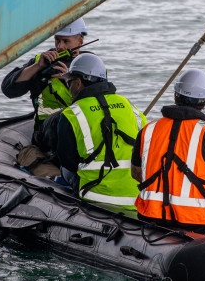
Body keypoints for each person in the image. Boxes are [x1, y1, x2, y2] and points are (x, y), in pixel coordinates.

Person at [131, 68, 205, 238]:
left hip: (150, 214)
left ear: (175, 96)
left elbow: (137, 173)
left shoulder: (148, 129)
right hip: (194, 219)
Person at [56, 54, 147, 210]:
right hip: (137, 197)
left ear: (78, 83)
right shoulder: (130, 106)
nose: (69, 88)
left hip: (95, 196)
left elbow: (67, 161)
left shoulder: (72, 114)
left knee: (64, 169)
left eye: (69, 82)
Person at [1, 18, 89, 151]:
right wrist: (37, 67)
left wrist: (69, 81)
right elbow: (8, 90)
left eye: (66, 41)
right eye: (57, 40)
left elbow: (97, 101)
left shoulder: (91, 65)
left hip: (81, 129)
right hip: (46, 134)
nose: (60, 47)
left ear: (80, 42)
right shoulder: (41, 61)